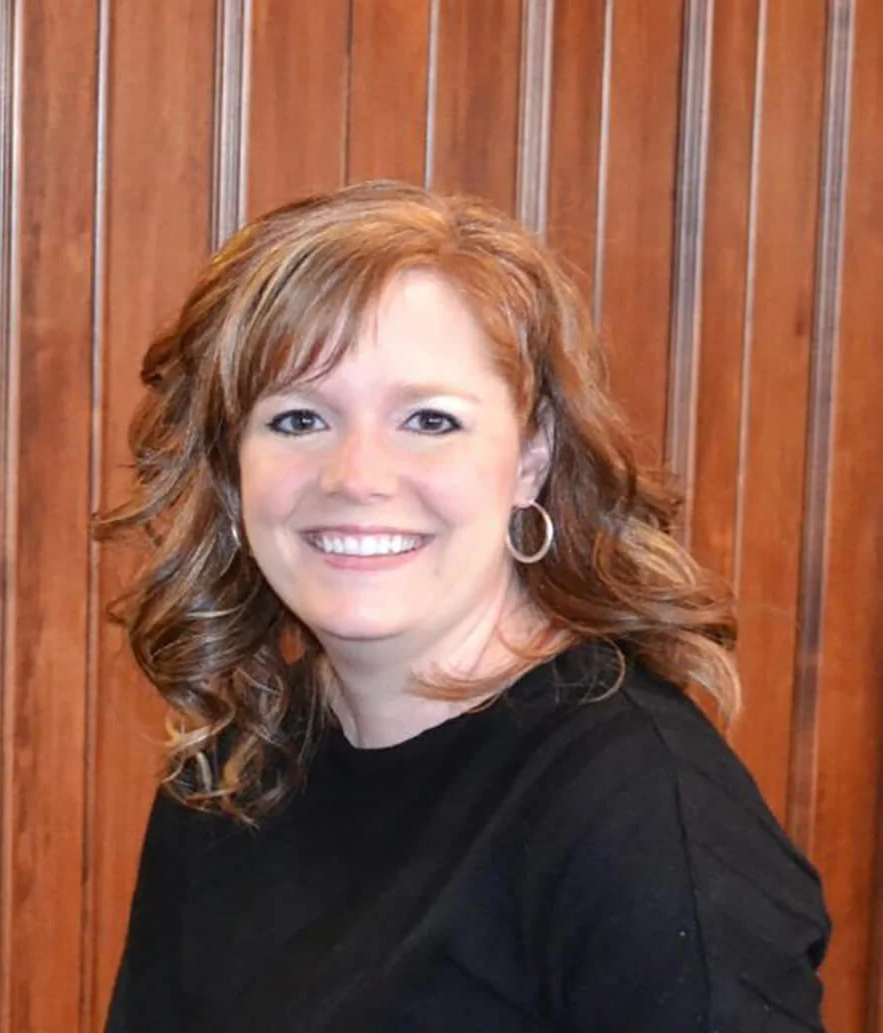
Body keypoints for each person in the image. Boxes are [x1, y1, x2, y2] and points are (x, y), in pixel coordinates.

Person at [97, 181, 830, 1032]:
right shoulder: (229, 771)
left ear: (531, 456)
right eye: (298, 419)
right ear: (232, 468)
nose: (356, 476)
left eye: (430, 420)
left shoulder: (640, 812)